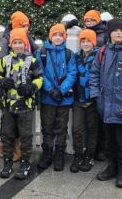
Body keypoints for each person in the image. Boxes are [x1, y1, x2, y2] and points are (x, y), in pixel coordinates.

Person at [90, 19, 122, 189]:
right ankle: (111, 166)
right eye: (116, 30)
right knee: (109, 139)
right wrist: (98, 97)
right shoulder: (103, 52)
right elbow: (94, 75)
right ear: (110, 33)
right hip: (106, 105)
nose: (119, 33)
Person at [0, 28, 44, 180]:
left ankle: (25, 163)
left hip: (25, 105)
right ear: (10, 45)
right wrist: (1, 81)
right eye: (15, 43)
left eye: (20, 42)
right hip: (9, 104)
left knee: (25, 135)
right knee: (7, 134)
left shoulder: (32, 61)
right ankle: (8, 162)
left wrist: (32, 87)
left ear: (25, 44)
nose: (17, 46)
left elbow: (40, 78)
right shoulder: (4, 60)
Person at [38, 24, 77, 172]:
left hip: (64, 99)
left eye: (61, 35)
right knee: (47, 127)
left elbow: (72, 73)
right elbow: (40, 72)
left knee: (61, 127)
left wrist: (61, 90)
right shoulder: (42, 53)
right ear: (50, 36)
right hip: (48, 98)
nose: (58, 37)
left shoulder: (69, 54)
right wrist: (50, 89)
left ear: (64, 37)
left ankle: (59, 154)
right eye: (55, 35)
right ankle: (47, 153)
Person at [71, 29, 99, 173]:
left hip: (93, 99)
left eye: (88, 41)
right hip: (79, 99)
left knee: (92, 129)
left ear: (93, 42)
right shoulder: (76, 57)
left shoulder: (99, 56)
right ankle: (78, 154)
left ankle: (89, 155)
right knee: (77, 128)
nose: (86, 43)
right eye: (83, 41)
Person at [83, 9, 108, 161]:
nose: (90, 22)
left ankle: (101, 148)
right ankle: (91, 148)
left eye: (92, 20)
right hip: (87, 83)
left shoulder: (104, 34)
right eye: (87, 20)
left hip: (100, 80)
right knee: (91, 120)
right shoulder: (84, 32)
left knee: (101, 118)